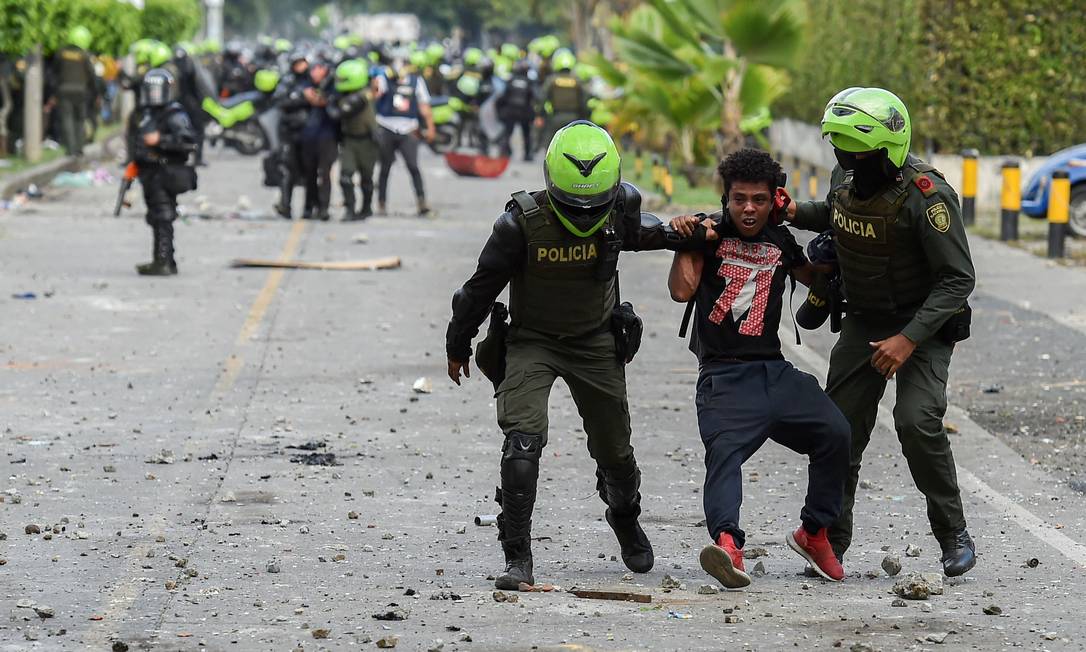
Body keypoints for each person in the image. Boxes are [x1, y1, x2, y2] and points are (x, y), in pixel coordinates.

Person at [445, 121, 711, 590]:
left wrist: (689, 232)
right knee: (522, 444)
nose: (586, 215)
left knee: (616, 455)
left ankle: (624, 517)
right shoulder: (520, 224)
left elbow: (646, 234)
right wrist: (457, 342)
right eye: (574, 206)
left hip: (595, 343)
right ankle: (517, 557)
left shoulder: (619, 210)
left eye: (596, 206)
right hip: (533, 342)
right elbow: (479, 288)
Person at [786, 87, 977, 577]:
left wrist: (908, 339)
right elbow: (834, 212)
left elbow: (958, 278)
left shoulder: (927, 198)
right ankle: (831, 541)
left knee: (917, 423)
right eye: (840, 150)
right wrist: (791, 213)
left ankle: (953, 533)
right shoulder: (846, 175)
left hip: (924, 327)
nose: (846, 160)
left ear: (886, 150)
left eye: (856, 152)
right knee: (838, 432)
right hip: (865, 319)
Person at [667, 149, 851, 588]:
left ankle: (814, 532)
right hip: (724, 376)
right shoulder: (707, 233)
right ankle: (728, 546)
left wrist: (848, 251)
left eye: (759, 200)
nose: (749, 208)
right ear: (726, 199)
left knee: (836, 433)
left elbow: (815, 277)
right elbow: (681, 291)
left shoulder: (781, 239)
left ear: (774, 200)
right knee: (725, 457)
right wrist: (685, 240)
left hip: (772, 370)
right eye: (739, 199)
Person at [131, 69, 198, 276]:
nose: (154, 94)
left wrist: (161, 141)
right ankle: (161, 259)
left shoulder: (175, 114)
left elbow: (188, 142)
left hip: (166, 171)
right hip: (150, 172)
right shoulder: (147, 113)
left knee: (163, 216)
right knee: (155, 216)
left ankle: (164, 261)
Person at [373, 58, 436, 216]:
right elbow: (375, 93)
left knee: (413, 166)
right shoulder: (384, 79)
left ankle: (422, 202)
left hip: (408, 129)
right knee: (385, 168)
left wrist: (430, 127)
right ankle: (381, 203)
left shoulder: (416, 82)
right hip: (387, 126)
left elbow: (424, 105)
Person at [327, 59, 378, 221]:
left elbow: (337, 114)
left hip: (367, 141)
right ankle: (350, 209)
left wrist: (328, 102)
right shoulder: (350, 95)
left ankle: (366, 208)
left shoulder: (360, 97)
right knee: (346, 177)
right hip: (350, 141)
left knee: (366, 178)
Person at [297, 58, 338, 220]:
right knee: (309, 174)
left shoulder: (332, 86)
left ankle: (324, 208)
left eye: (318, 68)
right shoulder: (305, 83)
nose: (314, 72)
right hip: (308, 135)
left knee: (325, 173)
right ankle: (309, 207)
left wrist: (318, 98)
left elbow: (325, 102)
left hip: (327, 136)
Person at [272, 52, 311, 219]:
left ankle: (309, 209)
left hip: (308, 132)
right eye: (297, 63)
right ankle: (285, 206)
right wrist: (302, 98)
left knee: (310, 172)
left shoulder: (311, 81)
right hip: (289, 131)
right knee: (287, 171)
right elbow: (280, 101)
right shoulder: (287, 81)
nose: (301, 67)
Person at [47, 26, 96, 157]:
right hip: (81, 92)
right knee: (79, 120)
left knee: (66, 119)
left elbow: (53, 72)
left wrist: (55, 90)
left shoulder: (61, 53)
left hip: (63, 91)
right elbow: (91, 74)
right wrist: (93, 92)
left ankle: (70, 149)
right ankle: (79, 149)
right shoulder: (85, 55)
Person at [537, 49, 587, 155]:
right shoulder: (577, 80)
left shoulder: (551, 80)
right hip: (574, 118)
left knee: (552, 145)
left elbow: (542, 98)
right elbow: (584, 99)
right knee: (574, 146)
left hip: (556, 117)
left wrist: (541, 114)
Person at [496, 59, 538, 161]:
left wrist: (499, 109)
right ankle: (528, 154)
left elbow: (504, 96)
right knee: (526, 134)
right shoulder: (529, 82)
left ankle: (504, 152)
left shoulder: (511, 80)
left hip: (511, 111)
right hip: (524, 112)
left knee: (507, 133)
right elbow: (534, 97)